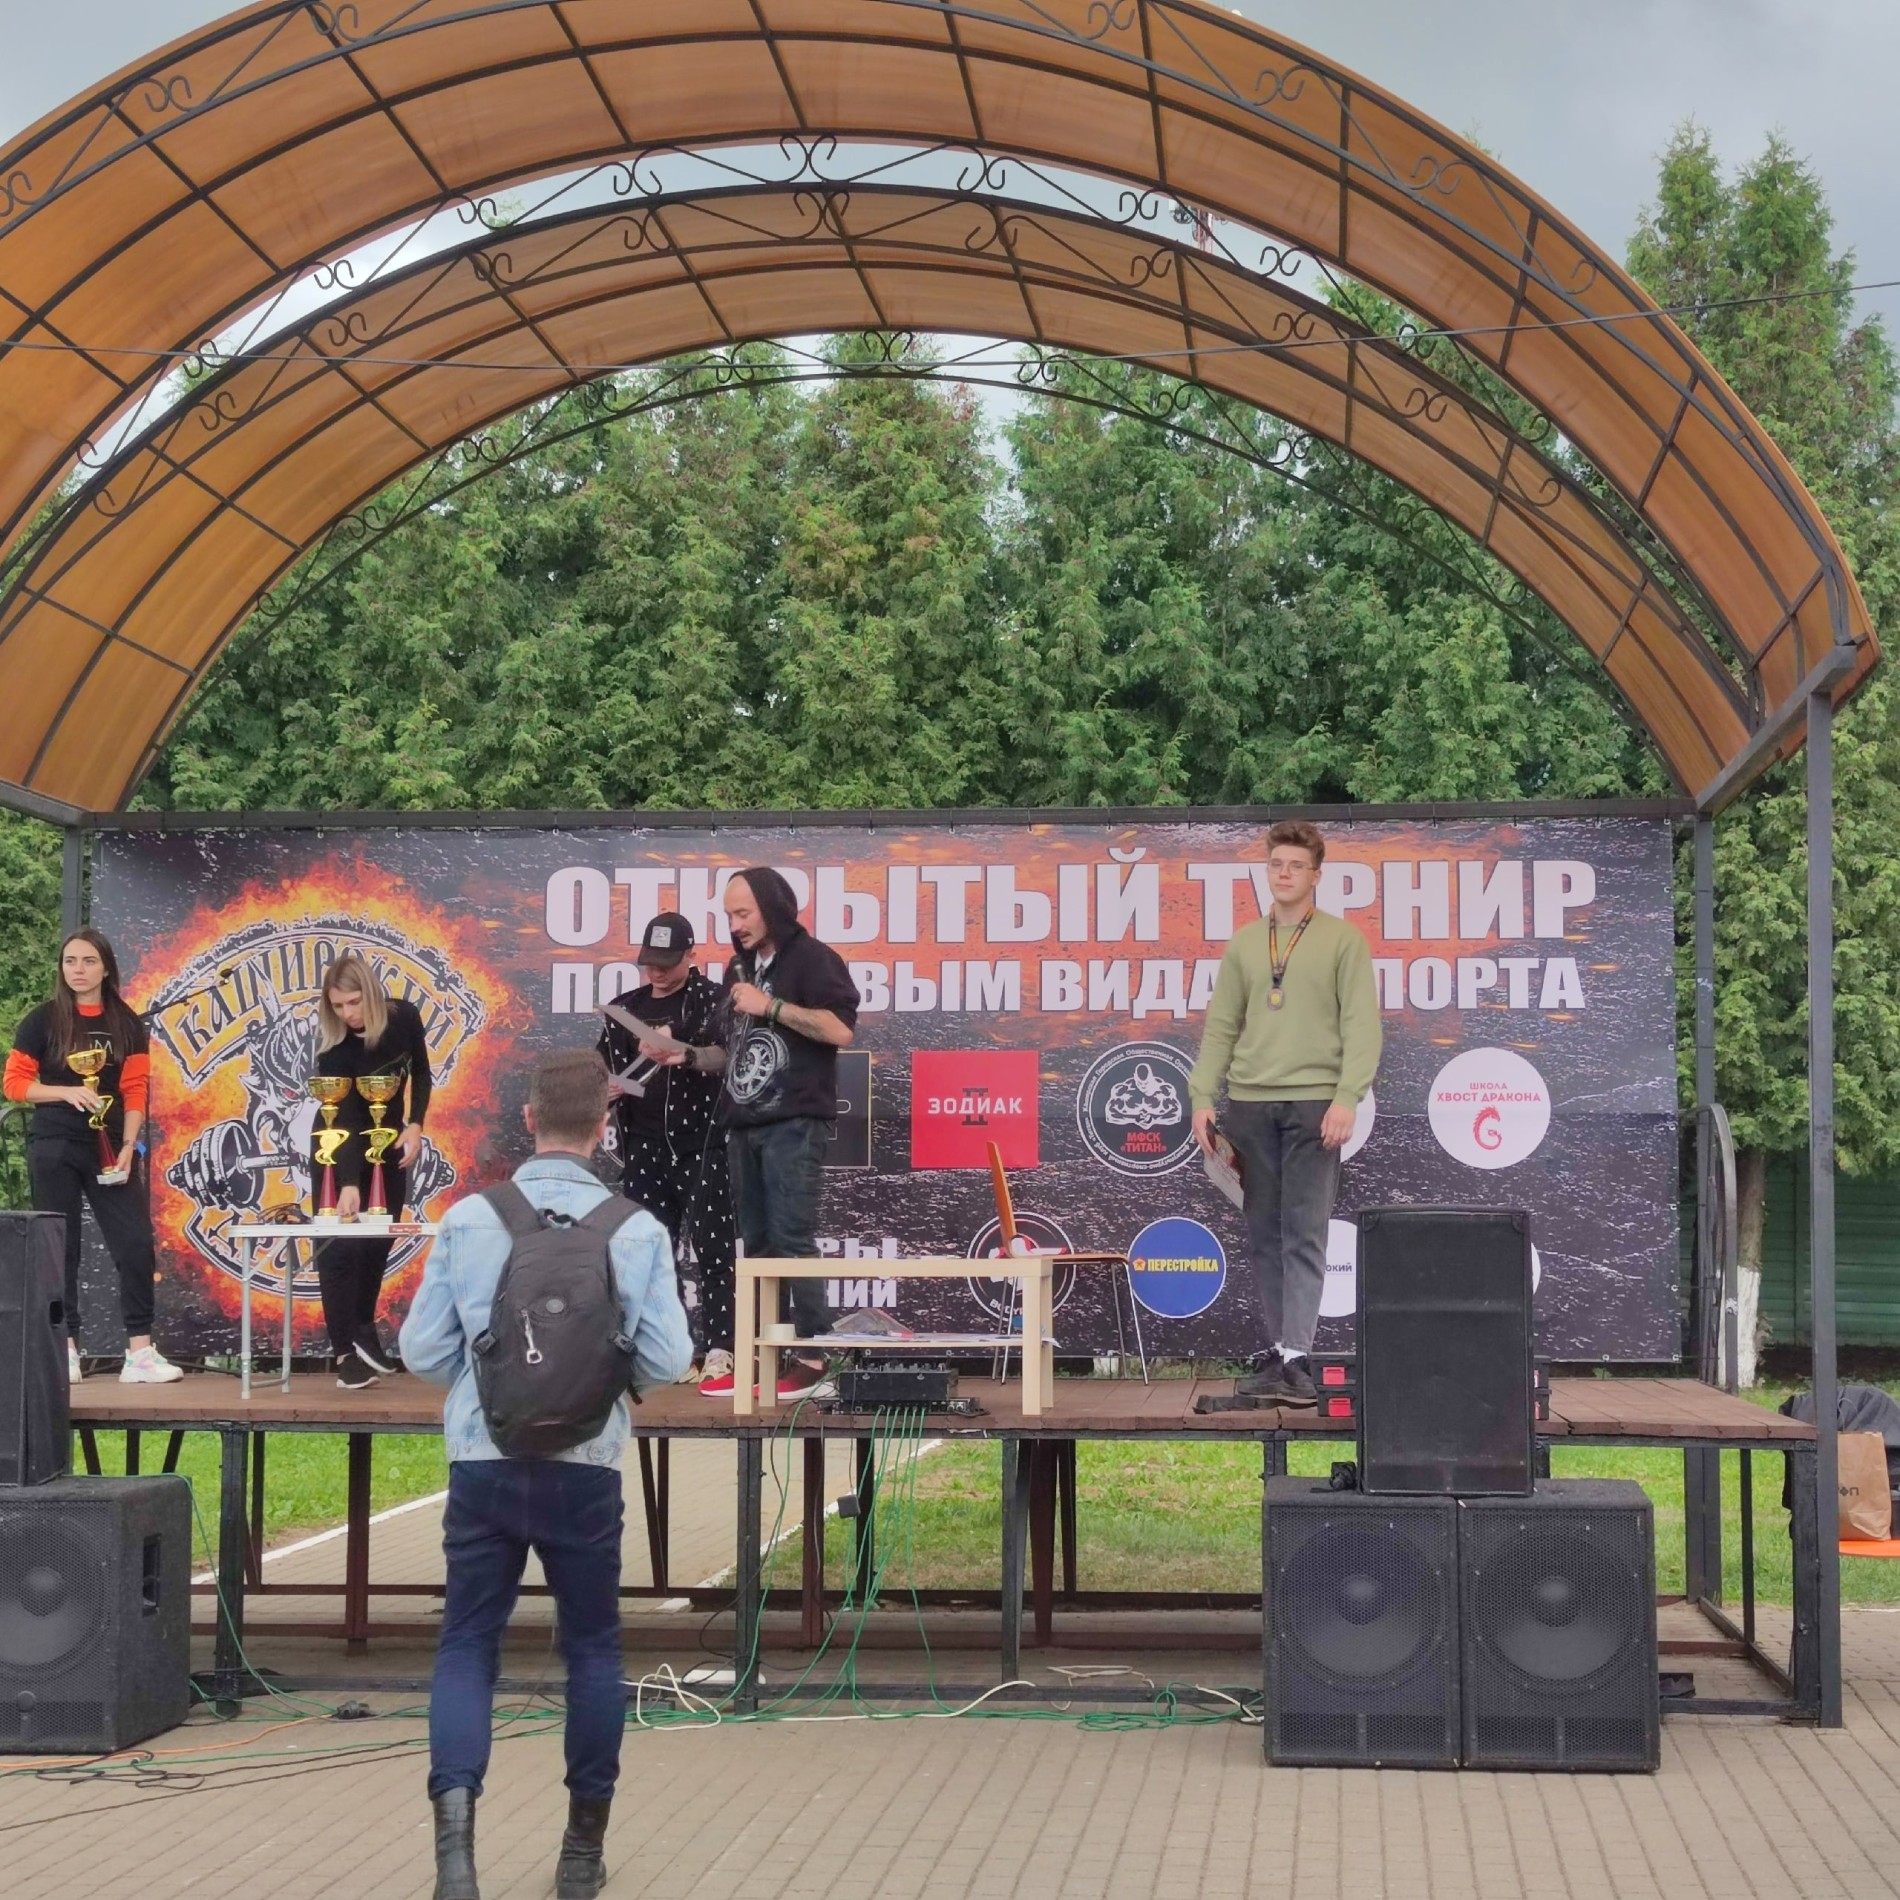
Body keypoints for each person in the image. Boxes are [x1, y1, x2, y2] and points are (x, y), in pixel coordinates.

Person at [399, 1048, 692, 1900]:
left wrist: (483, 1374)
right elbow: (668, 1358)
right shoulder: (636, 1228)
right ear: (605, 1126)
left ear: (527, 1119)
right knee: (593, 1650)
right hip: (586, 1467)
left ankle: (456, 1857)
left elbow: (422, 1351)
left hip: (484, 1462)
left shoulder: (469, 1219)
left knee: (467, 1646)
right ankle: (580, 1855)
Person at [1189, 820, 1381, 1406]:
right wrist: (1202, 1096)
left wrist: (1347, 1096)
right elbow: (1222, 1025)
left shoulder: (1343, 941)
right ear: (1266, 871)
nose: (1285, 874)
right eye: (1276, 865)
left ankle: (1298, 1356)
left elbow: (1362, 1026)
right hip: (1249, 1103)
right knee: (1264, 1235)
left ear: (1316, 875)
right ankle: (1277, 1353)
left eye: (1297, 865)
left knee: (1304, 1231)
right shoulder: (1246, 942)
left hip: (1316, 1104)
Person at [4, 929, 181, 1384]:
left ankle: (140, 1352)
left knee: (135, 1244)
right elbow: (15, 1084)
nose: (77, 970)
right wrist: (65, 1092)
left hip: (110, 1149)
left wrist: (129, 1146)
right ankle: (65, 1349)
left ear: (105, 968)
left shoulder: (127, 1023)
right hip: (55, 1145)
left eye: (87, 961)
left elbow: (135, 1090)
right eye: (70, 961)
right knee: (60, 1248)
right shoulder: (43, 1020)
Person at [716, 867, 859, 1403]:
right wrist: (680, 1056)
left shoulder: (813, 958)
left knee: (792, 1239)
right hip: (743, 1123)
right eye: (729, 915)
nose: (735, 924)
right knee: (756, 1245)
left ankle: (815, 1356)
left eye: (743, 913)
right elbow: (730, 1050)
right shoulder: (740, 968)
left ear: (773, 907)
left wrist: (771, 1006)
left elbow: (841, 1029)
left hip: (794, 1121)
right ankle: (766, 1355)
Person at [596, 911, 738, 1397]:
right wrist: (604, 1089)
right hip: (643, 1147)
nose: (656, 971)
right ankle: (674, 1350)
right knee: (653, 1253)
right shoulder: (625, 1009)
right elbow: (600, 1065)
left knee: (716, 1251)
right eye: (649, 962)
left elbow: (734, 1057)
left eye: (667, 961)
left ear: (691, 955)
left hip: (705, 1145)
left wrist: (688, 1054)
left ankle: (722, 1348)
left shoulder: (716, 1001)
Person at [311, 951, 433, 1389]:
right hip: (337, 1144)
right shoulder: (335, 1047)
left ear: (372, 995)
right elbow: (342, 1115)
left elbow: (421, 1071)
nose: (347, 1013)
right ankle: (345, 1353)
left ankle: (362, 1329)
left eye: (354, 1002)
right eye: (338, 1006)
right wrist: (347, 1182)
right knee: (340, 1249)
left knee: (378, 1241)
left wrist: (415, 1125)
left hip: (388, 1139)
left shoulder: (404, 1018)